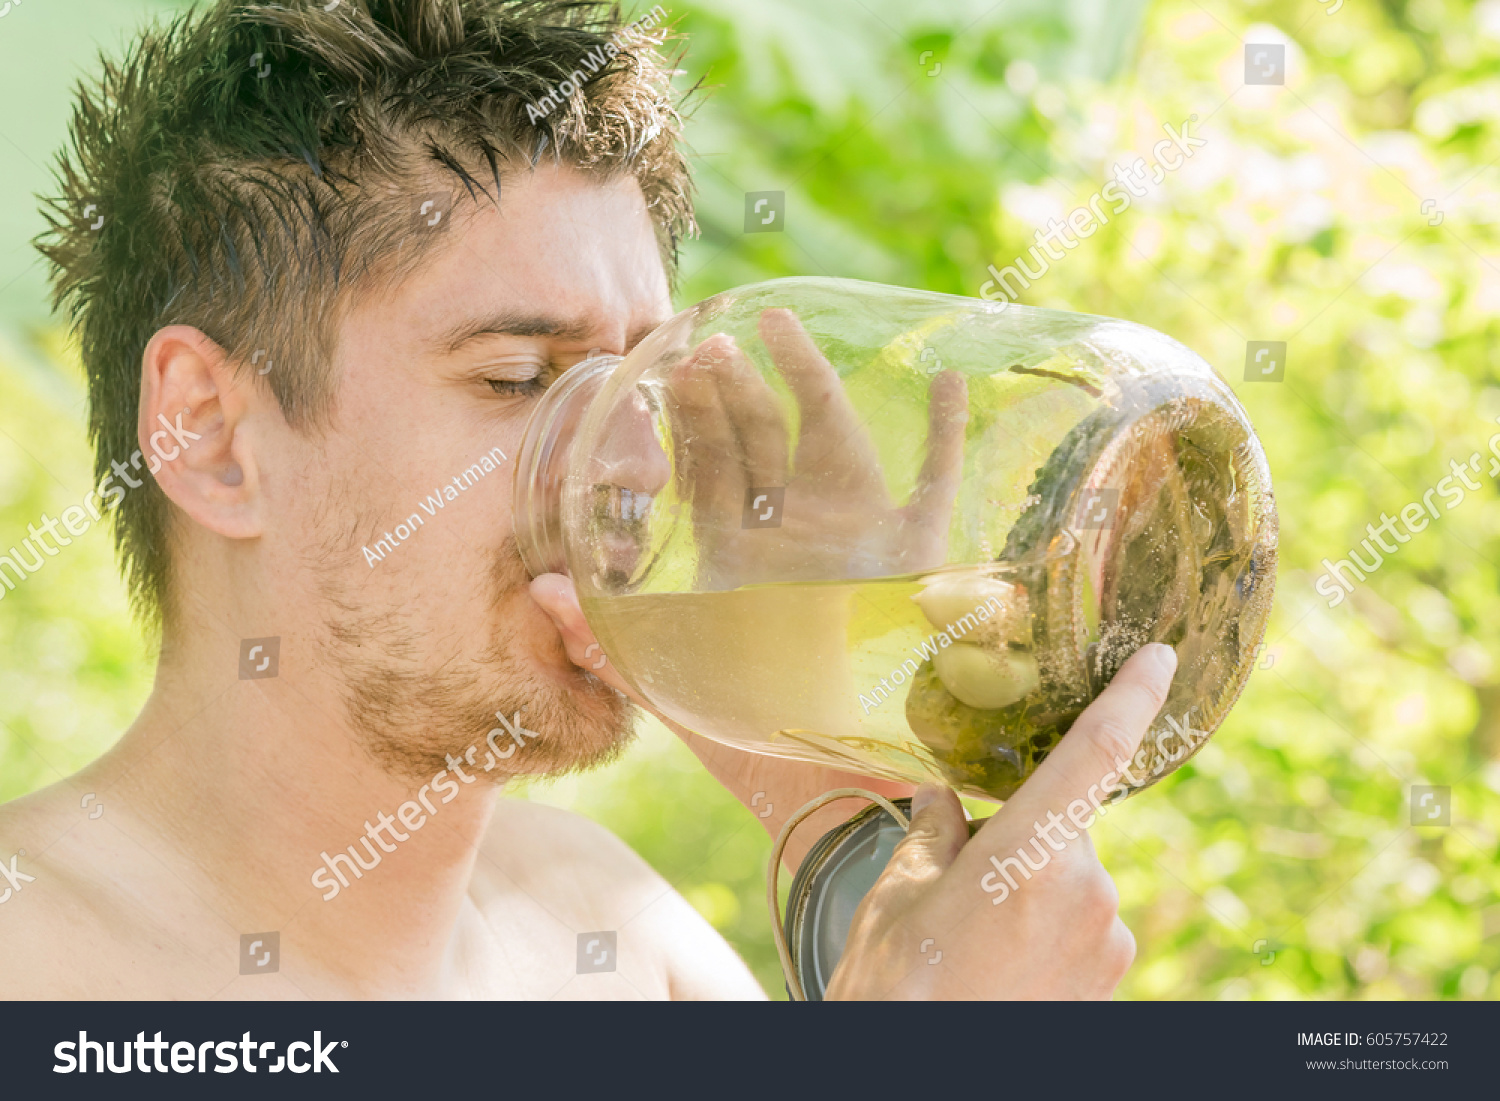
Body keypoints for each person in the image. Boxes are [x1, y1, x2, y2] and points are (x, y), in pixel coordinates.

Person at [0, 0, 1176, 999]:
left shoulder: (609, 937)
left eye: (643, 383)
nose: (631, 463)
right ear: (209, 434)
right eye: (518, 378)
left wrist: (832, 754)